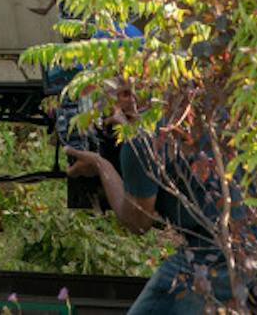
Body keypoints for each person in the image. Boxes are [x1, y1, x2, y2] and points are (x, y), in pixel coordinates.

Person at [67, 128, 232, 314]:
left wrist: (101, 165)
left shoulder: (140, 141)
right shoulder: (192, 111)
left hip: (212, 252)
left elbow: (138, 221)